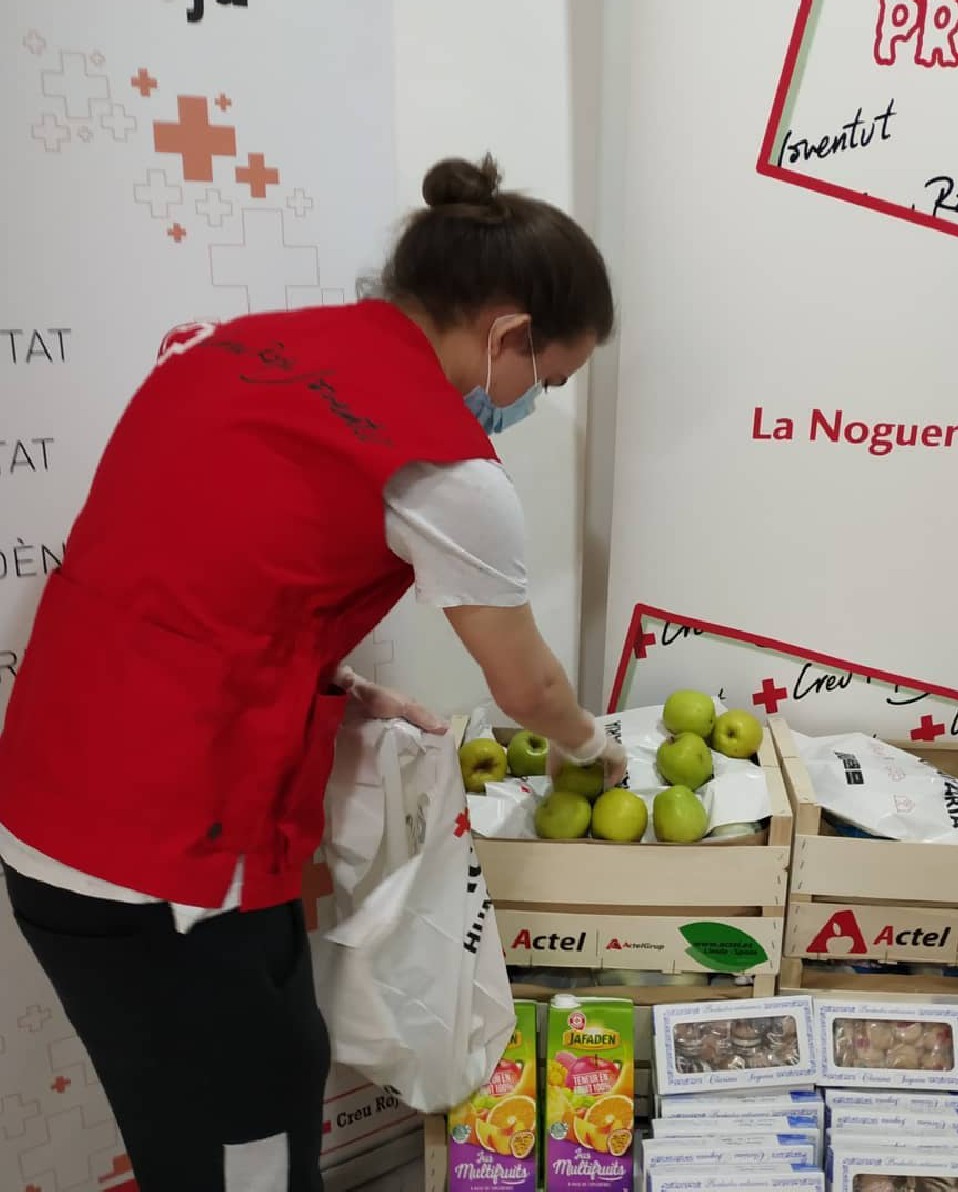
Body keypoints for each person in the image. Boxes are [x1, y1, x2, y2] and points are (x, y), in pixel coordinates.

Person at [0, 154, 626, 1192]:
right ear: (509, 334)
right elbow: (529, 690)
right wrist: (593, 747)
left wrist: (331, 686)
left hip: (54, 795)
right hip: (163, 846)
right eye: (549, 380)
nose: (535, 400)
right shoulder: (444, 465)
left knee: (234, 1090)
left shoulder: (241, 346)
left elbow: (207, 566)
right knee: (243, 1139)